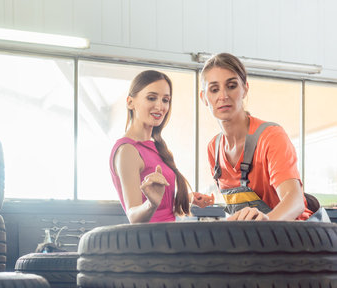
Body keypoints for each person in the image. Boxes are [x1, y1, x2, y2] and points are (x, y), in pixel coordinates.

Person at [199, 52, 314, 221]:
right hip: (253, 242)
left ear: (245, 88)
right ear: (204, 98)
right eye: (214, 89)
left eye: (231, 86)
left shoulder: (270, 137)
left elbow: (295, 202)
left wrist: (265, 226)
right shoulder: (213, 150)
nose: (223, 96)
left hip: (296, 239)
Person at [110, 70, 214, 223]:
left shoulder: (155, 147)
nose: (160, 106)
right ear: (130, 102)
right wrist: (151, 203)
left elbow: (161, 206)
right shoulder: (127, 150)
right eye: (151, 98)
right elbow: (133, 217)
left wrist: (189, 198)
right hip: (150, 243)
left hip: (169, 238)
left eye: (165, 100)